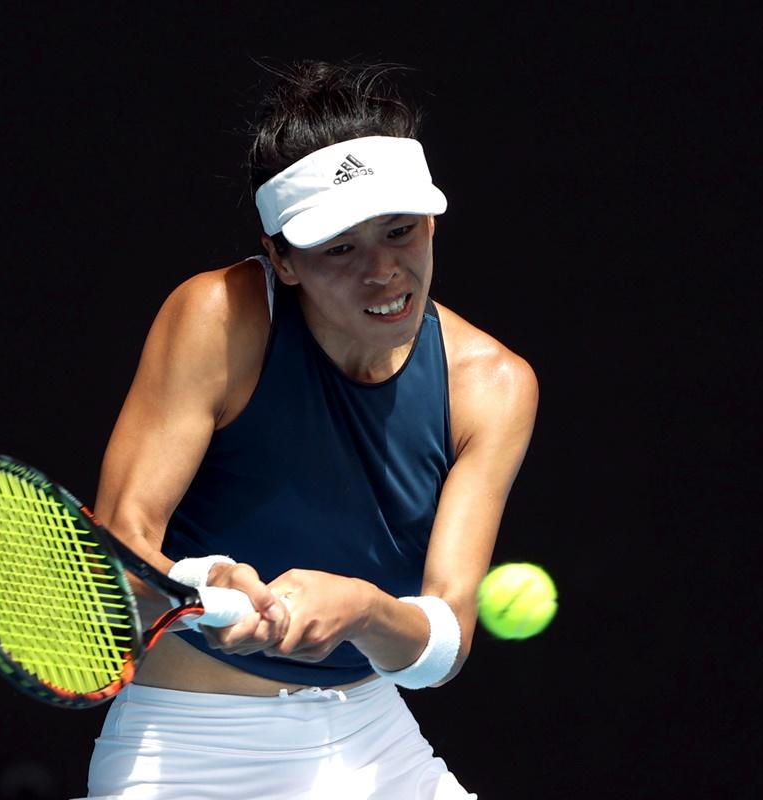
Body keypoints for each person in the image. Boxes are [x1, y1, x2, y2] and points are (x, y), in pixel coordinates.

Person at [84, 62, 538, 800]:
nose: (385, 273)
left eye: (402, 231)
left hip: (374, 740)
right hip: (193, 749)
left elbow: (442, 645)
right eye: (340, 249)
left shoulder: (494, 385)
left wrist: (365, 609)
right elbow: (122, 543)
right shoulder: (217, 317)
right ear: (282, 259)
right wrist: (200, 583)